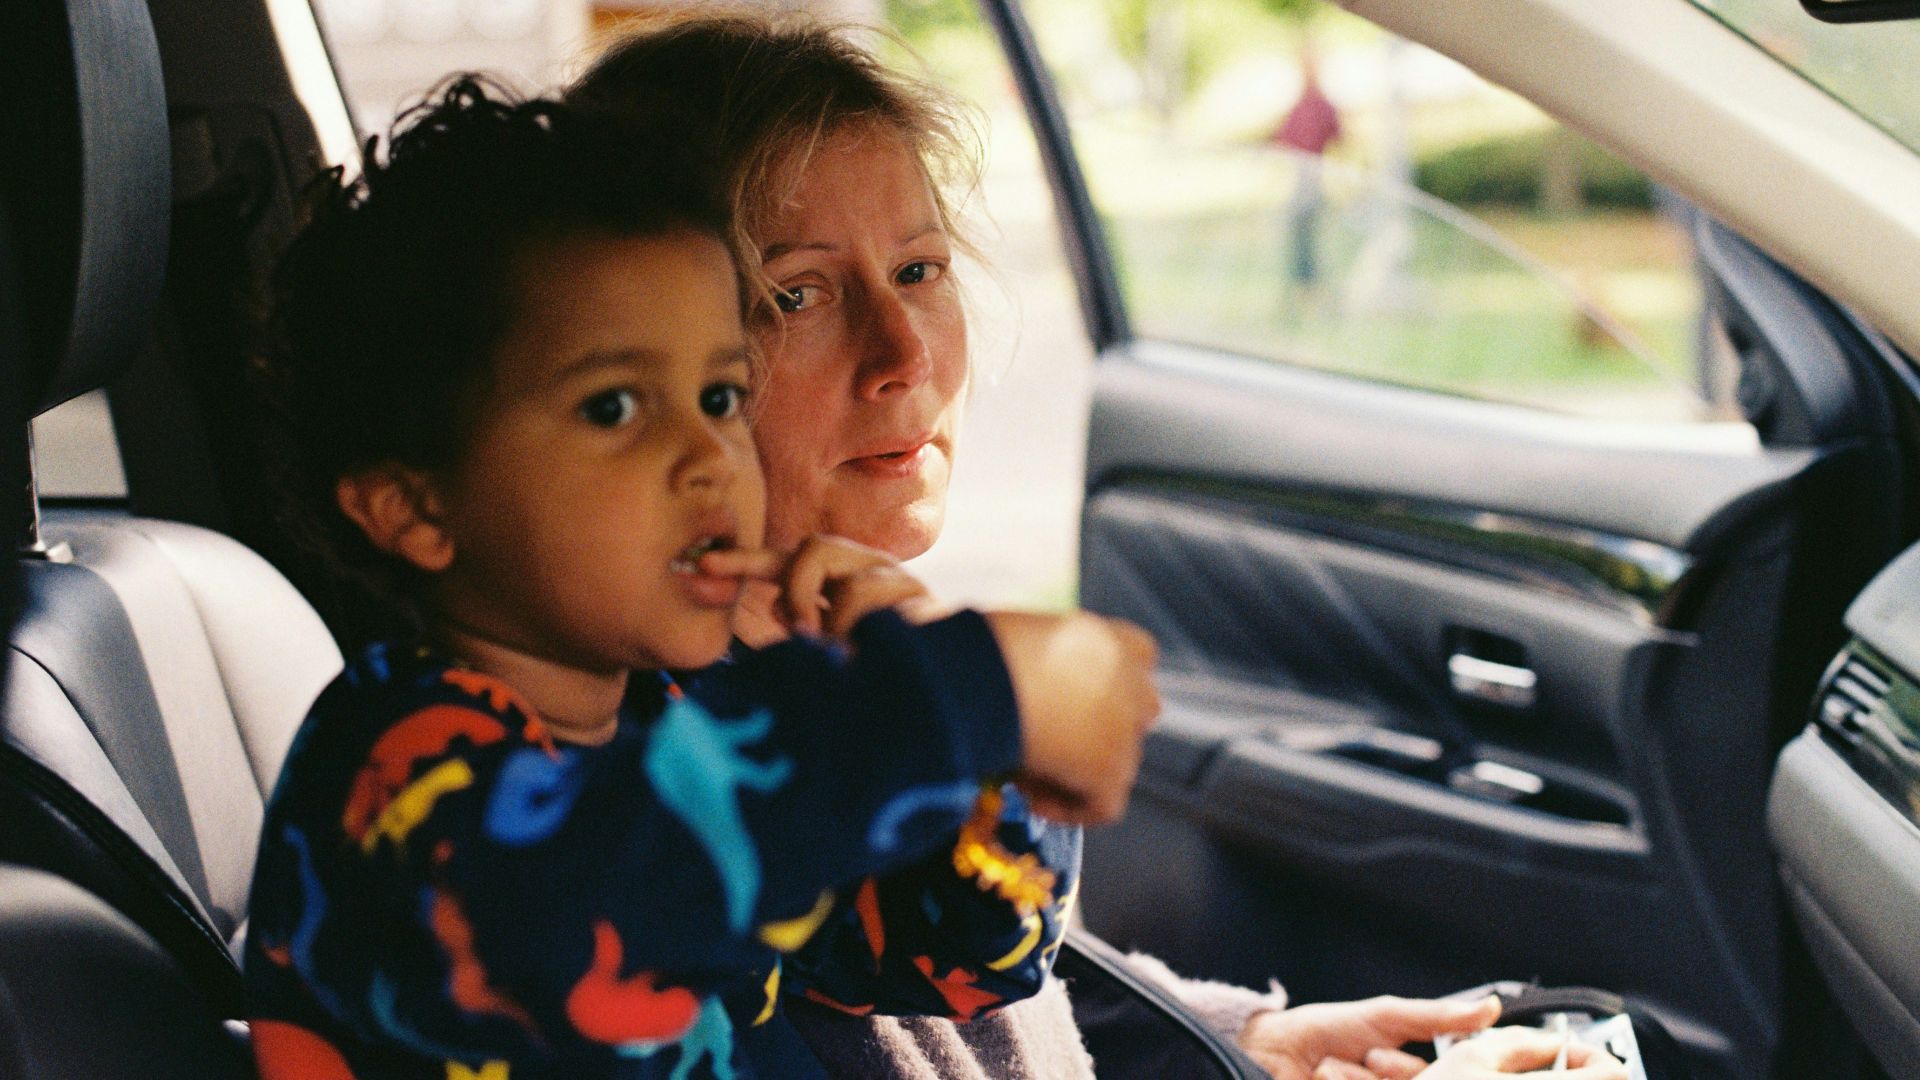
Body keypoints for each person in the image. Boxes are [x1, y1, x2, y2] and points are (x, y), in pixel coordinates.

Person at [569, 13, 1625, 1080]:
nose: (904, 354)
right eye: (796, 294)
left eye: (922, 270)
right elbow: (952, 947)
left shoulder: (806, 647)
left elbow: (980, 996)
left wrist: (1239, 1046)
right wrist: (978, 693)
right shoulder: (645, 757)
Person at [243, 78, 1162, 1080]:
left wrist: (991, 766)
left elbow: (959, 964)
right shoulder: (388, 771)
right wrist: (961, 689)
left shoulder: (663, 728)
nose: (708, 457)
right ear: (417, 508)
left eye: (720, 395)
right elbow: (581, 916)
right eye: (614, 408)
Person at [1272, 45, 1342, 304]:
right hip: (1300, 179)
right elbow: (1284, 141)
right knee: (1299, 237)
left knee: (1313, 237)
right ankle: (1302, 291)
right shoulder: (1299, 106)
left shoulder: (1323, 106)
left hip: (1315, 179)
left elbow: (1339, 141)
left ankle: (1315, 291)